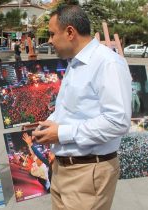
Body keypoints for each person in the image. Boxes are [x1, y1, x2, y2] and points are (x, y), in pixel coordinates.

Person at [32, 5, 132, 210]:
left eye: (52, 34)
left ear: (70, 32)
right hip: (64, 169)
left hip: (88, 173)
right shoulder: (75, 63)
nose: (49, 40)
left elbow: (118, 121)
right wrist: (51, 123)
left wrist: (61, 133)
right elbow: (73, 109)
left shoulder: (108, 63)